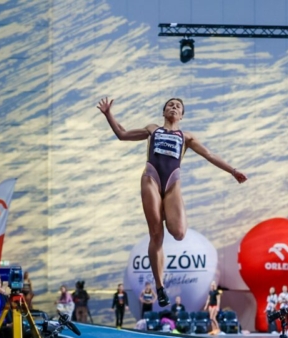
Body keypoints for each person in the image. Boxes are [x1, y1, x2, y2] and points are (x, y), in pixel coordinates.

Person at [97, 97, 248, 307]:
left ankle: (166, 211)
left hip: (172, 183)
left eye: (178, 106)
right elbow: (122, 134)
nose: (174, 107)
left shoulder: (186, 137)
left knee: (179, 233)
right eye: (170, 105)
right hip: (151, 178)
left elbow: (209, 154)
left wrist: (233, 171)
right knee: (156, 234)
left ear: (182, 115)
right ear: (164, 112)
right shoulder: (153, 130)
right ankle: (160, 287)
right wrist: (108, 114)